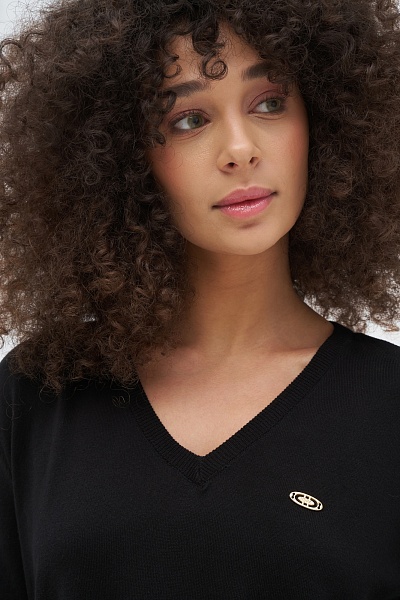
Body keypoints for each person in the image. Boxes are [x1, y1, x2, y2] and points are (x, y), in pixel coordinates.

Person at [0, 0, 400, 597]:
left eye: (270, 103)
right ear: (120, 157)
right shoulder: (37, 394)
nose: (240, 149)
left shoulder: (388, 408)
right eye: (189, 118)